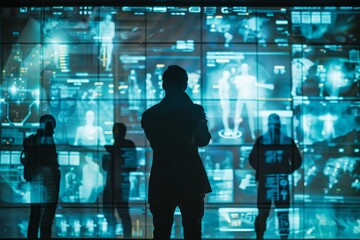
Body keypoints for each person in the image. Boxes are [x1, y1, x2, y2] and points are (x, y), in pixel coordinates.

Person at [141, 65, 212, 239]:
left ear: (164, 85)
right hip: (190, 178)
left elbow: (156, 144)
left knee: (161, 231)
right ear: (185, 84)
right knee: (193, 230)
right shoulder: (195, 111)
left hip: (162, 178)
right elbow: (203, 140)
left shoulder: (150, 115)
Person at [249, 113, 302, 240]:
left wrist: (262, 170)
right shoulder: (287, 140)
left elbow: (252, 159)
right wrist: (287, 170)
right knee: (281, 212)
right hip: (279, 180)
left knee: (265, 212)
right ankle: (281, 237)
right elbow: (297, 160)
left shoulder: (262, 140)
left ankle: (260, 236)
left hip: (268, 180)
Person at [24, 114, 60, 239]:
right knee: (37, 216)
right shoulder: (34, 140)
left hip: (44, 179)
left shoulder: (42, 140)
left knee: (43, 217)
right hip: (39, 178)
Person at [102, 123, 136, 237]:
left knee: (123, 213)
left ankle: (126, 236)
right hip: (111, 184)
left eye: (118, 131)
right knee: (109, 212)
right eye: (114, 131)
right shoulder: (114, 146)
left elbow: (132, 165)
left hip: (120, 185)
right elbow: (106, 166)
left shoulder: (127, 145)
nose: (115, 134)